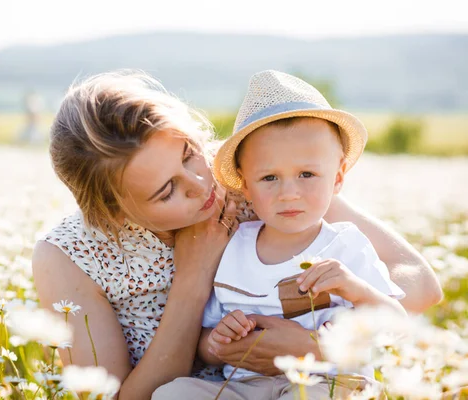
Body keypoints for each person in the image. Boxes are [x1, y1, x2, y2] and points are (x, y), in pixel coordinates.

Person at [31, 70, 442, 400]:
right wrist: (192, 282)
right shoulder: (71, 254)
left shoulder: (258, 175)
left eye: (190, 152)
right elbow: (114, 396)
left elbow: (418, 282)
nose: (200, 183)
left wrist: (319, 347)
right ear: (112, 212)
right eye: (167, 191)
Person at [171, 70, 404, 399]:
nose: (289, 193)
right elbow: (206, 344)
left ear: (337, 179)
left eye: (307, 174)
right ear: (245, 185)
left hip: (329, 381)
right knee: (174, 392)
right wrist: (219, 341)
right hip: (245, 384)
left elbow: (396, 325)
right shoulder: (232, 247)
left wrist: (354, 288)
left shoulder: (345, 246)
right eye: (269, 178)